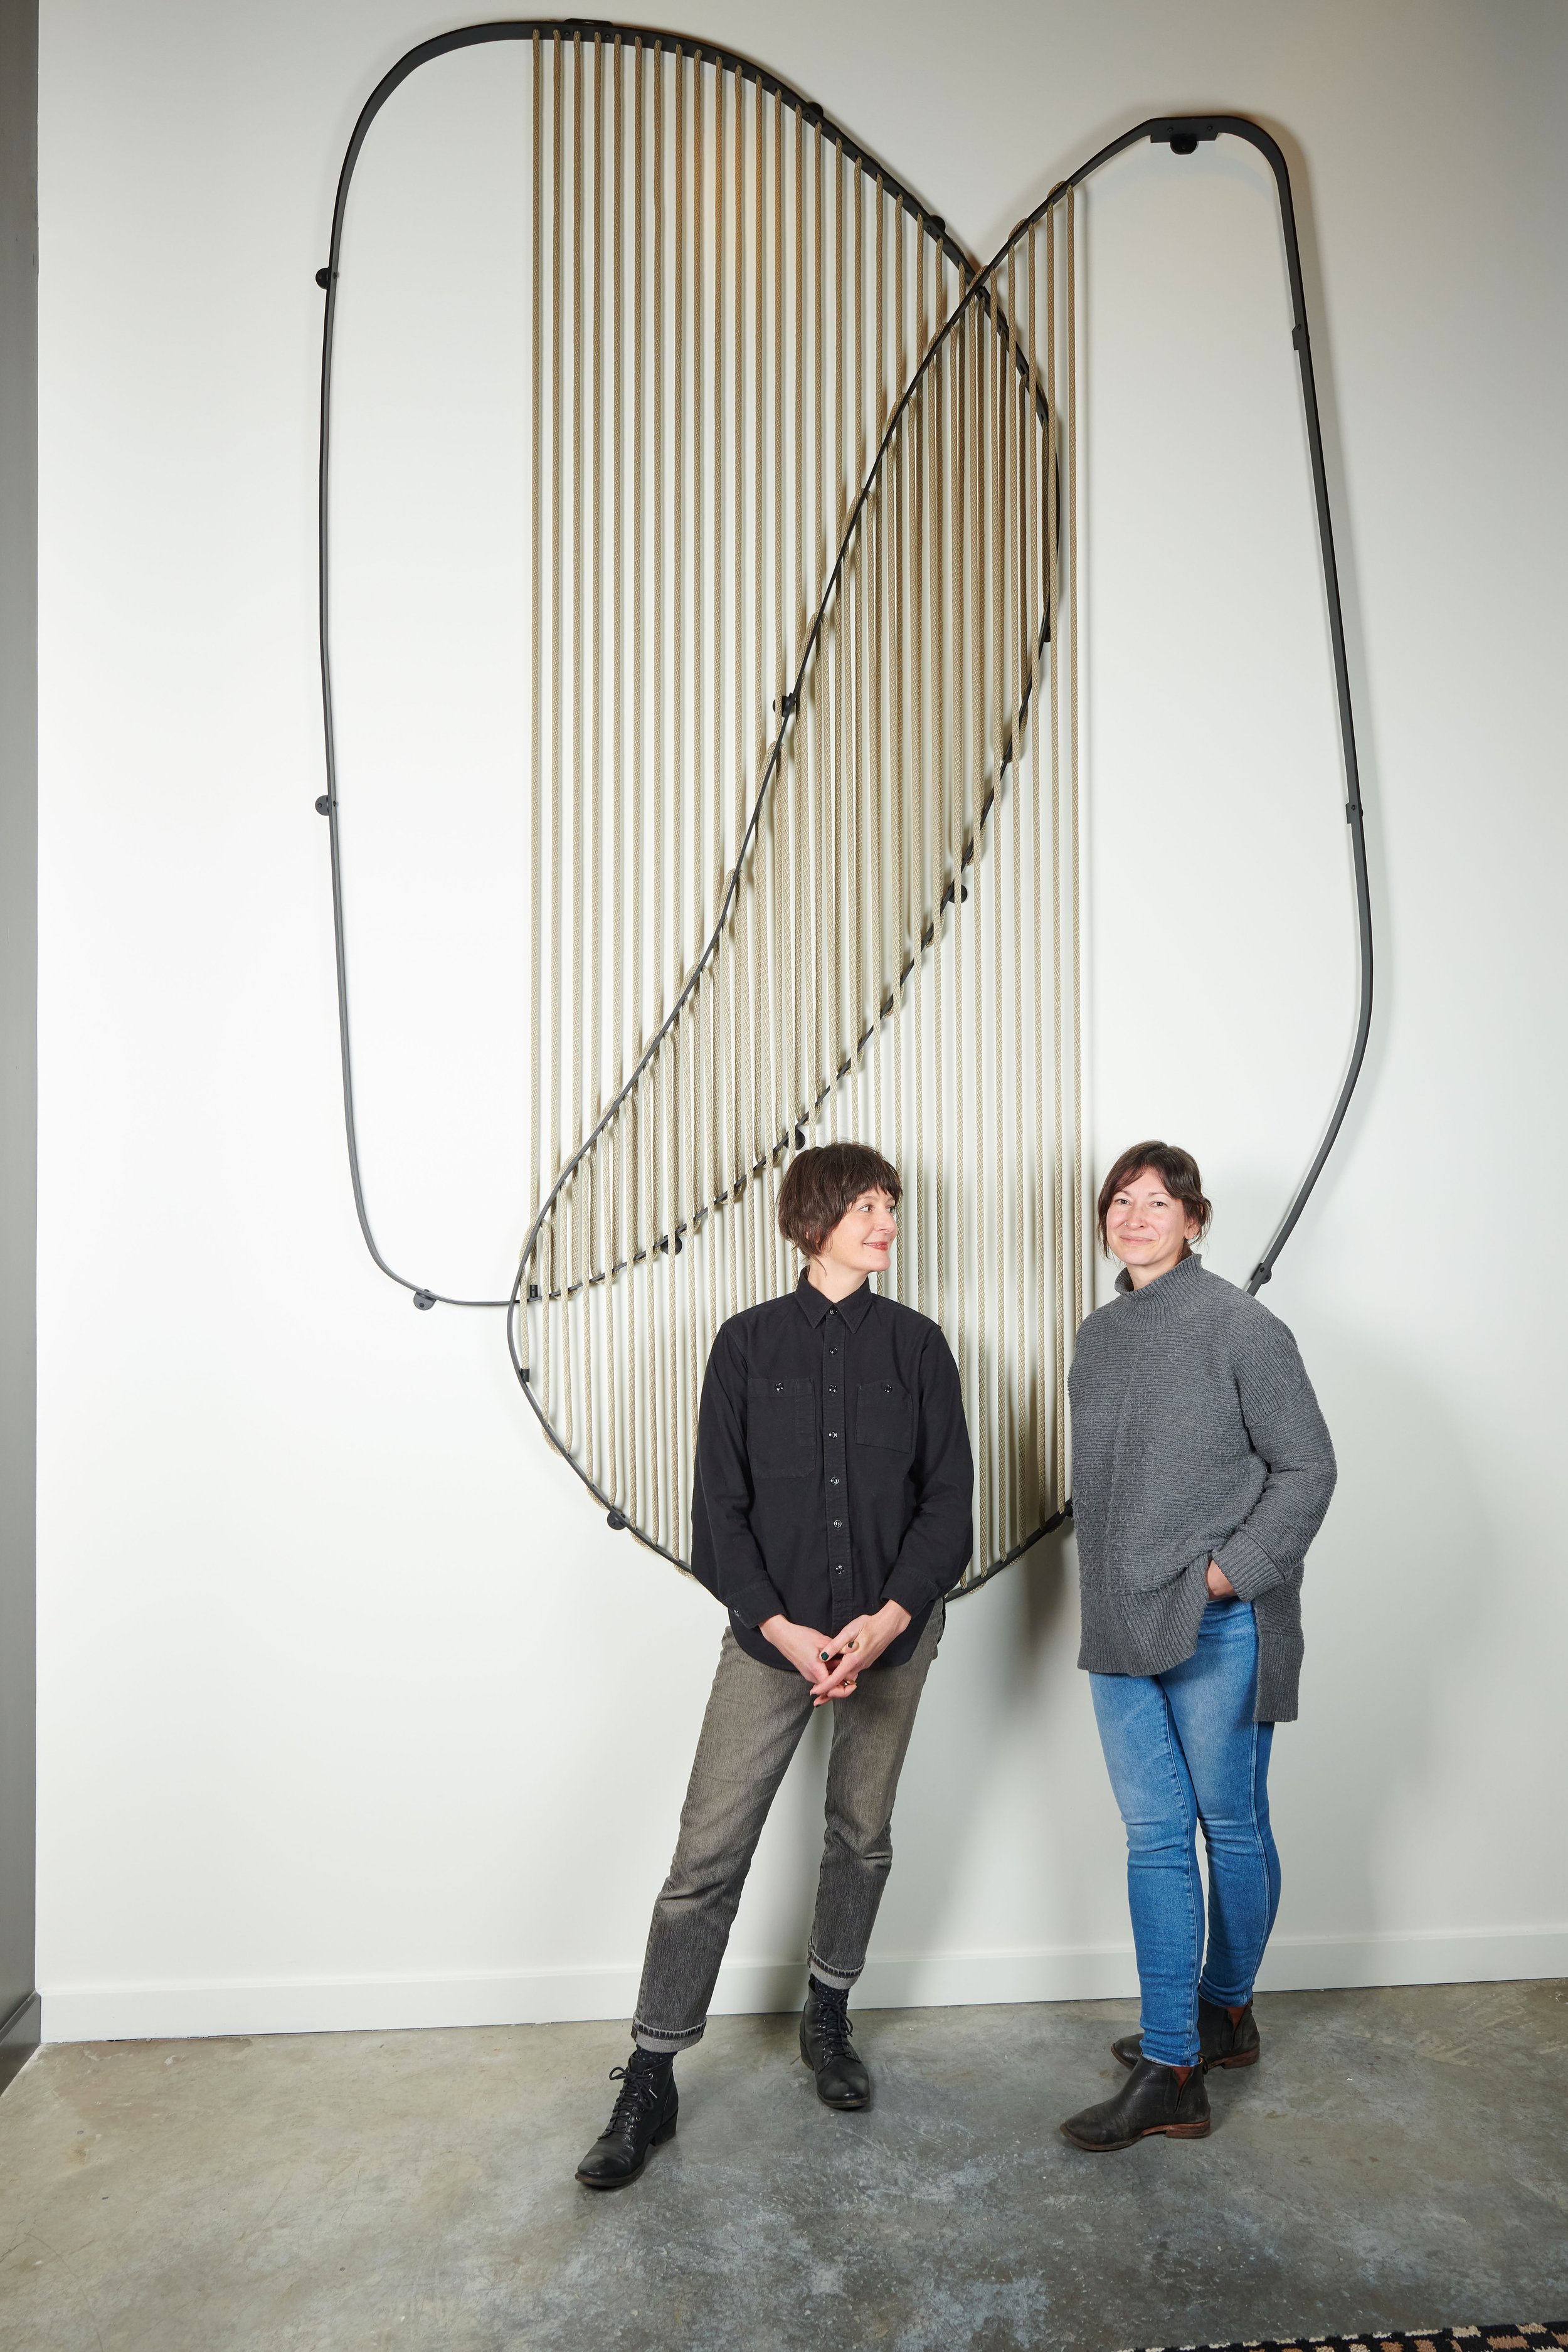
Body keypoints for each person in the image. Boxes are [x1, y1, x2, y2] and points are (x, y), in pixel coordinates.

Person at [575, 1142, 973, 2188]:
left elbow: (949, 1511)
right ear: (814, 1219)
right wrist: (785, 1630)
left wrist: (886, 1622)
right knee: (706, 1855)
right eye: (868, 1206)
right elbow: (721, 1514)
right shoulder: (745, 1346)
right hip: (770, 1639)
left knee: (863, 1834)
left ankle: (828, 2015)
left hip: (893, 1634)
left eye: (893, 1205)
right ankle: (651, 2074)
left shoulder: (922, 1347)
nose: (887, 1222)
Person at [1059, 1141, 1337, 2153]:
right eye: (1120, 1202)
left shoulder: (1242, 1326)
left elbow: (1308, 1467)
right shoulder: (1096, 1335)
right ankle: (1185, 2047)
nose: (1136, 1216)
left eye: (1158, 1201)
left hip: (1222, 1621)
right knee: (1154, 1836)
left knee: (1229, 1823)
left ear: (1196, 1219)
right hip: (1119, 1626)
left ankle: (1213, 2021)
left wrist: (1229, 1573)